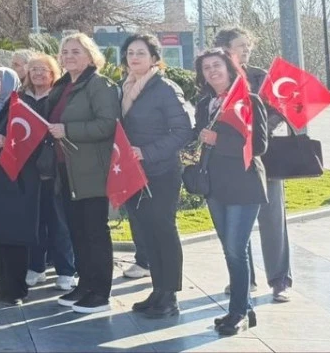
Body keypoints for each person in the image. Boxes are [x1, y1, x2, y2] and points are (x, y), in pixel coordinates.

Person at [214, 27, 293, 303]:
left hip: (264, 157)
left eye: (248, 45)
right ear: (225, 48)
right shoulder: (217, 76)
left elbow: (279, 109)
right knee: (237, 223)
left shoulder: (261, 76)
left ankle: (279, 280)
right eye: (240, 45)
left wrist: (256, 129)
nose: (246, 50)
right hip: (231, 162)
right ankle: (243, 280)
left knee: (272, 220)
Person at [119, 34, 195, 319]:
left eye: (141, 53)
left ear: (154, 58)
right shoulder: (124, 87)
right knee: (146, 233)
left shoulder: (164, 87)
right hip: (133, 173)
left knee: (164, 231)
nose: (134, 57)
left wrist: (147, 152)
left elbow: (183, 132)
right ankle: (157, 290)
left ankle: (170, 295)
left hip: (161, 172)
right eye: (130, 53)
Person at [194, 48, 269, 336]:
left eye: (217, 65)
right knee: (233, 248)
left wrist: (217, 140)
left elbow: (259, 146)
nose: (212, 71)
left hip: (244, 185)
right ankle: (245, 308)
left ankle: (238, 311)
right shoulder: (205, 103)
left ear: (230, 68)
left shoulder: (249, 100)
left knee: (236, 249)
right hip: (215, 186)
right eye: (206, 67)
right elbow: (201, 135)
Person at [47, 33, 119, 314]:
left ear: (90, 56)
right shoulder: (63, 86)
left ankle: (101, 292)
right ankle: (86, 284)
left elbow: (107, 125)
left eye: (76, 51)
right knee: (77, 230)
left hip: (92, 171)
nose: (69, 56)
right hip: (66, 169)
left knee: (94, 232)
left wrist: (69, 131)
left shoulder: (99, 84)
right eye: (65, 52)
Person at [0, 67, 40, 306]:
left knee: (14, 235)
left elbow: (30, 141)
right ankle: (2, 284)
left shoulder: (21, 106)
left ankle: (16, 289)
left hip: (18, 180)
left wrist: (7, 144)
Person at [20, 54, 76, 292]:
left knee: (58, 221)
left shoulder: (58, 97)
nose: (38, 74)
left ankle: (66, 270)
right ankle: (36, 267)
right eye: (33, 69)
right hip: (28, 167)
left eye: (43, 69)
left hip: (54, 166)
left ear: (53, 73)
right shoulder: (20, 99)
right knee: (34, 220)